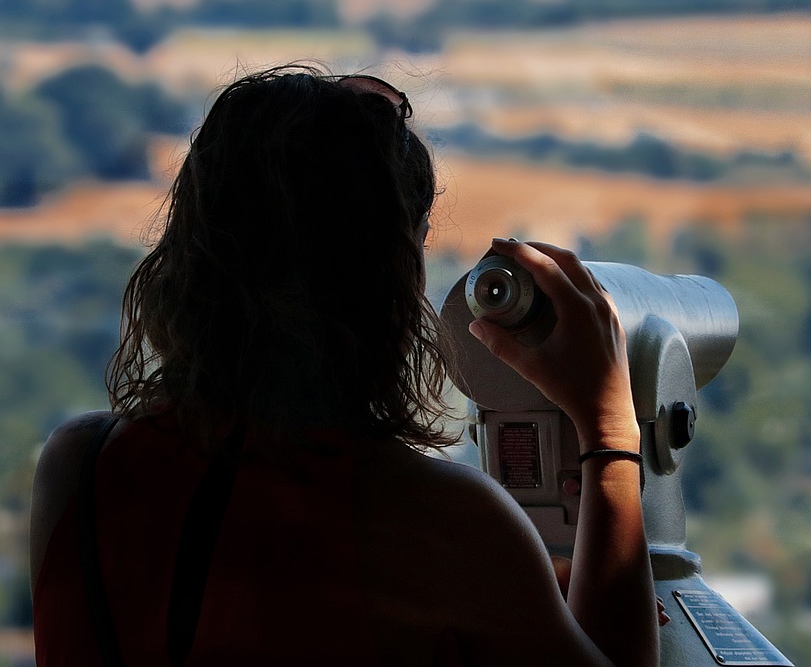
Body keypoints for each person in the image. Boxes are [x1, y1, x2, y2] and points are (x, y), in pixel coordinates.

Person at [28, 67, 661, 666]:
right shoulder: (443, 525)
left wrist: (514, 585)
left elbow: (244, 579)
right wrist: (610, 432)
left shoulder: (78, 467)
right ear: (387, 279)